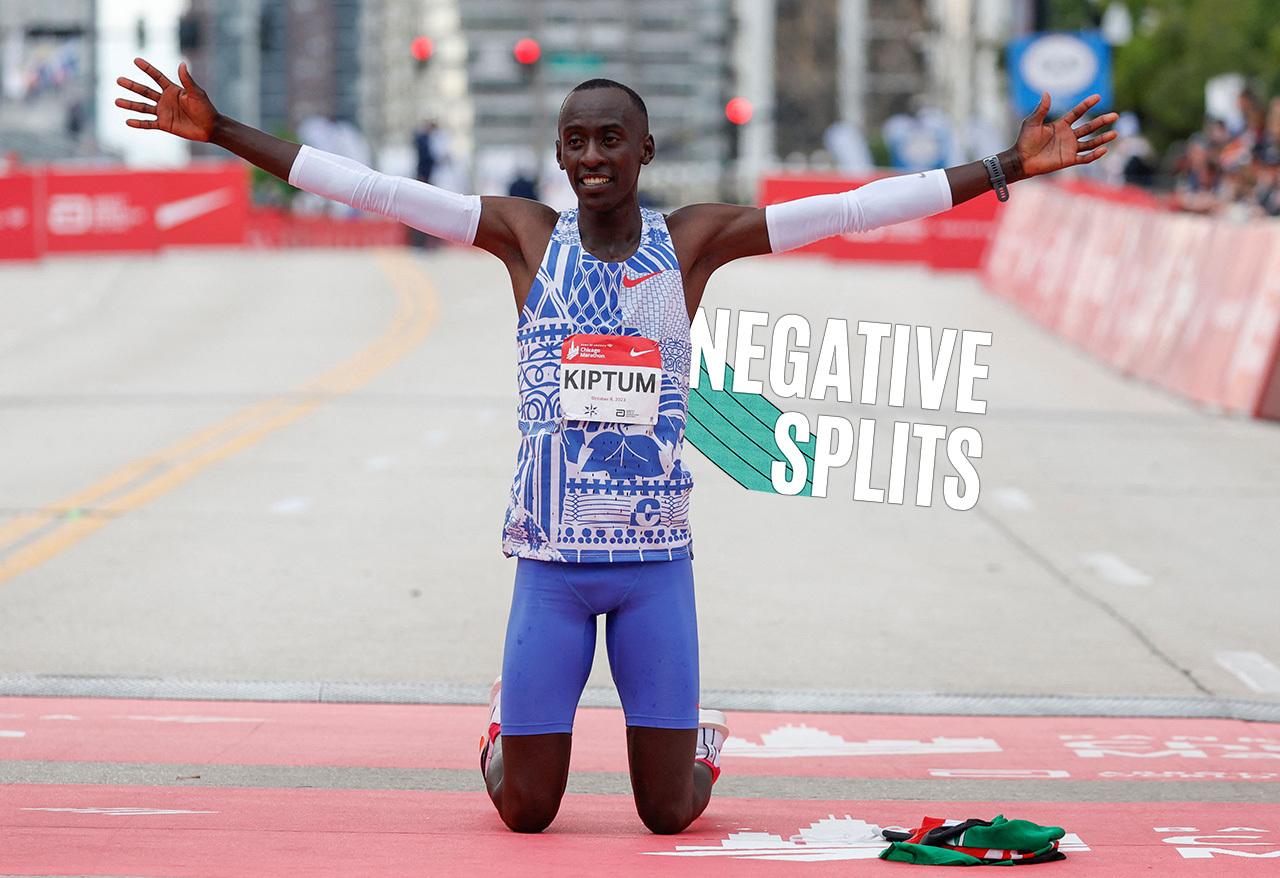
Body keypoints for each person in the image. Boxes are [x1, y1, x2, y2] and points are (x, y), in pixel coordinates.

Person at [115, 57, 1117, 835]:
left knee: (666, 811)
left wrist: (1002, 168)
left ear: (643, 151)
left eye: (609, 140)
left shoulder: (689, 242)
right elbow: (370, 188)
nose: (590, 157)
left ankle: (699, 742)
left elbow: (849, 209)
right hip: (549, 568)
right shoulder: (519, 236)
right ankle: (505, 723)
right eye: (574, 142)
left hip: (652, 570)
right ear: (558, 154)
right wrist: (220, 135)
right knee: (526, 809)